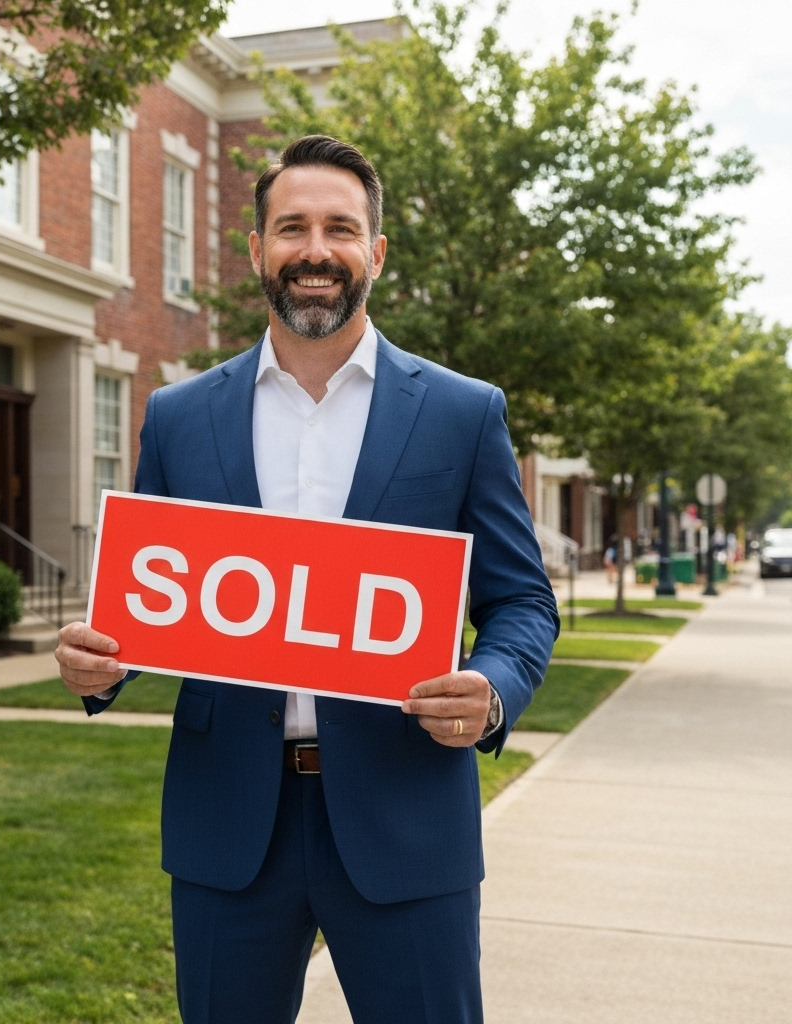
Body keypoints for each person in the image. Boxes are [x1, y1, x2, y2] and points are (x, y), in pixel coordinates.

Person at [56, 136, 559, 1024]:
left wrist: (493, 690)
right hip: (228, 825)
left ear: (375, 251)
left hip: (406, 816)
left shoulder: (461, 412)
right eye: (291, 228)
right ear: (256, 250)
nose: (315, 250)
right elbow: (147, 601)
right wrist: (103, 661)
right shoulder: (178, 416)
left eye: (340, 228)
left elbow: (521, 599)